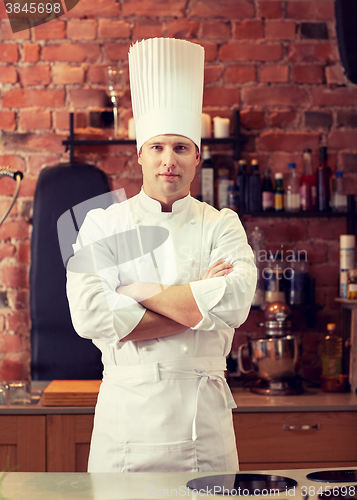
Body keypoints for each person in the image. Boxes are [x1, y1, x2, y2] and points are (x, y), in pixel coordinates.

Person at [66, 37, 257, 473]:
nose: (168, 160)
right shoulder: (103, 226)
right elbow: (91, 316)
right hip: (125, 429)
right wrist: (194, 305)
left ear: (197, 156)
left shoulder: (221, 224)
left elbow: (233, 304)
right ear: (139, 155)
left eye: (180, 147)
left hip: (203, 429)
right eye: (157, 147)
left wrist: (135, 290)